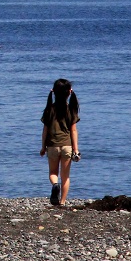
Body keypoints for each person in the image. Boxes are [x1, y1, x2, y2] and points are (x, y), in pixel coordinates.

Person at [39, 78, 80, 206]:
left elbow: (45, 131)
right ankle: (62, 202)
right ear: (69, 93)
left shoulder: (49, 109)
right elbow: (73, 131)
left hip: (52, 145)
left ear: (54, 92)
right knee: (65, 176)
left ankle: (55, 185)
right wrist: (76, 149)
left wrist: (43, 147)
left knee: (52, 172)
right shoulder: (71, 110)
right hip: (67, 146)